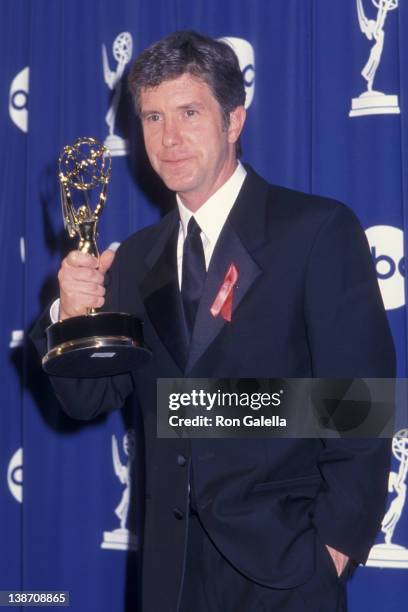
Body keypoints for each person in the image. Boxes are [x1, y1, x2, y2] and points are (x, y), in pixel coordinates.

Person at [32, 31, 395, 611]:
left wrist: (331, 550)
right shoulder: (135, 260)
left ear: (234, 120)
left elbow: (361, 403)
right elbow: (88, 399)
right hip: (170, 577)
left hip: (287, 573)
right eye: (152, 116)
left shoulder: (315, 231)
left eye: (189, 112)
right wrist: (69, 316)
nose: (168, 138)